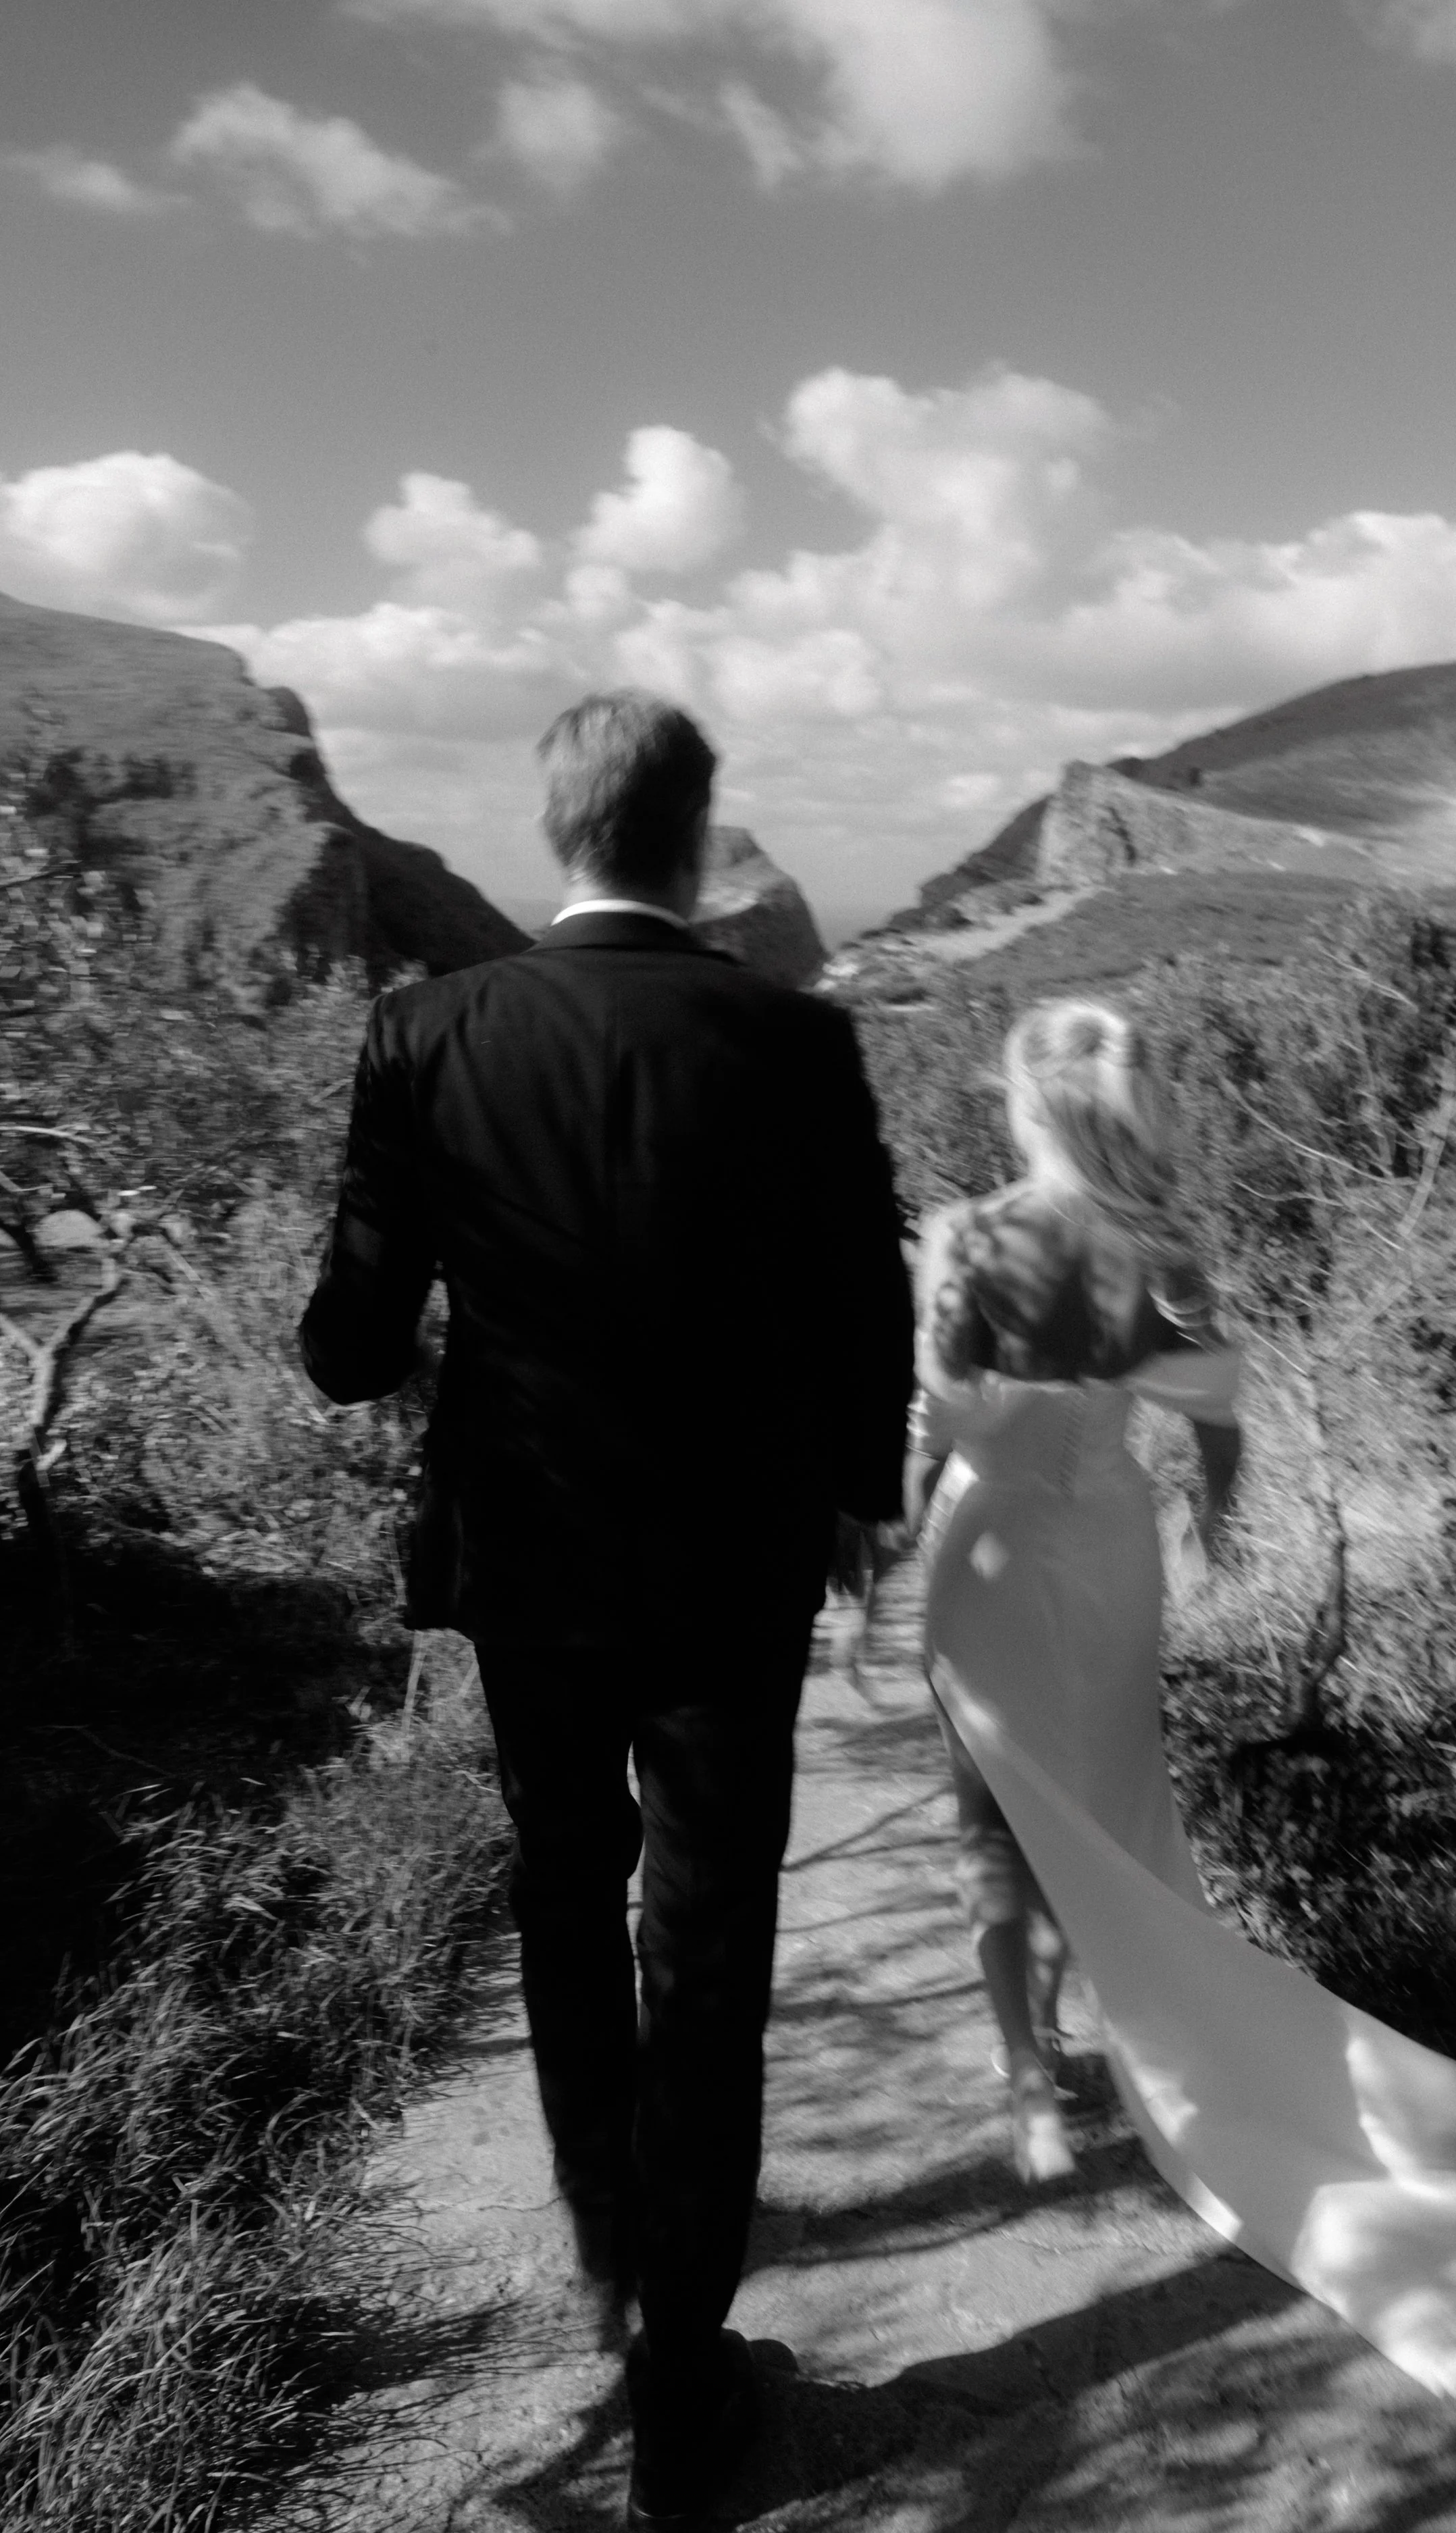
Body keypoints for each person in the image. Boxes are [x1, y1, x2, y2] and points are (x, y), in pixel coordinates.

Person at [299, 690, 914, 2528]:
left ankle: (602, 2248)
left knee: (563, 1892)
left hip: (530, 1559)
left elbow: (346, 1345)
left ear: (554, 824)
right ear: (693, 824)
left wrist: (431, 1330)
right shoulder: (794, 1038)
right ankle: (681, 2367)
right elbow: (862, 1297)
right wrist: (861, 1498)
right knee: (706, 1943)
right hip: (731, 1566)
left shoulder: (425, 1028)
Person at [910, 997, 1456, 2403]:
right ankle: (1124, 2026)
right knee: (1113, 1809)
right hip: (1111, 1552)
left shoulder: (967, 1237)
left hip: (990, 1555)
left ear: (1028, 1109)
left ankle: (1026, 2074)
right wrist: (1213, 1526)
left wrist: (872, 1522)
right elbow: (1217, 1415)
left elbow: (938, 1418)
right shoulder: (1158, 1243)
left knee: (996, 1815)